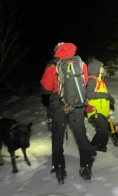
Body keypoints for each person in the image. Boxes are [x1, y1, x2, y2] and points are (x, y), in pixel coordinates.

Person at [40, 42, 94, 184]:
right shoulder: (80, 63)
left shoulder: (52, 65)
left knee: (57, 136)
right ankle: (87, 167)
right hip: (77, 105)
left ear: (56, 51)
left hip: (58, 106)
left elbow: (45, 89)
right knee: (81, 134)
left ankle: (59, 169)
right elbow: (86, 82)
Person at [85, 60, 115, 154]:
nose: (103, 68)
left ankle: (102, 147)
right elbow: (88, 94)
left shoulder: (100, 80)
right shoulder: (92, 80)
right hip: (95, 110)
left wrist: (110, 99)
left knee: (105, 130)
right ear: (96, 69)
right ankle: (91, 148)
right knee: (102, 129)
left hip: (103, 111)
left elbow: (104, 96)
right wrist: (105, 95)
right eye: (101, 67)